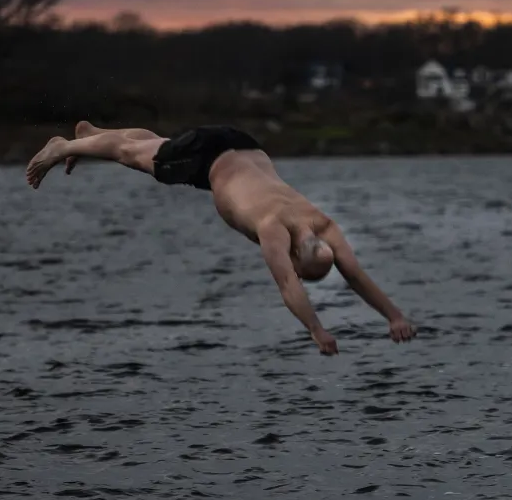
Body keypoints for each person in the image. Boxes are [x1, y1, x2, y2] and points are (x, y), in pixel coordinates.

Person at [26, 122, 416, 355]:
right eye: (301, 270)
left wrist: (395, 315)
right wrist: (316, 330)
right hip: (208, 159)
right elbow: (287, 287)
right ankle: (66, 146)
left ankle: (93, 136)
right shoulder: (272, 229)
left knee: (151, 146)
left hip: (243, 145)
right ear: (297, 257)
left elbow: (355, 275)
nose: (295, 272)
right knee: (135, 155)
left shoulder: (322, 224)